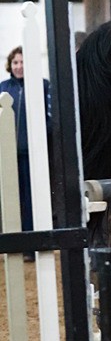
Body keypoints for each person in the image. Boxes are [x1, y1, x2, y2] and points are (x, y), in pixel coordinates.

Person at [0, 46, 51, 237]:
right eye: (15, 62)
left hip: (34, 155)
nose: (19, 66)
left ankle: (33, 243)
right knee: (14, 200)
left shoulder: (42, 85)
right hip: (8, 156)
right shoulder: (3, 88)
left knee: (33, 200)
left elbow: (49, 119)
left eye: (22, 62)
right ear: (10, 65)